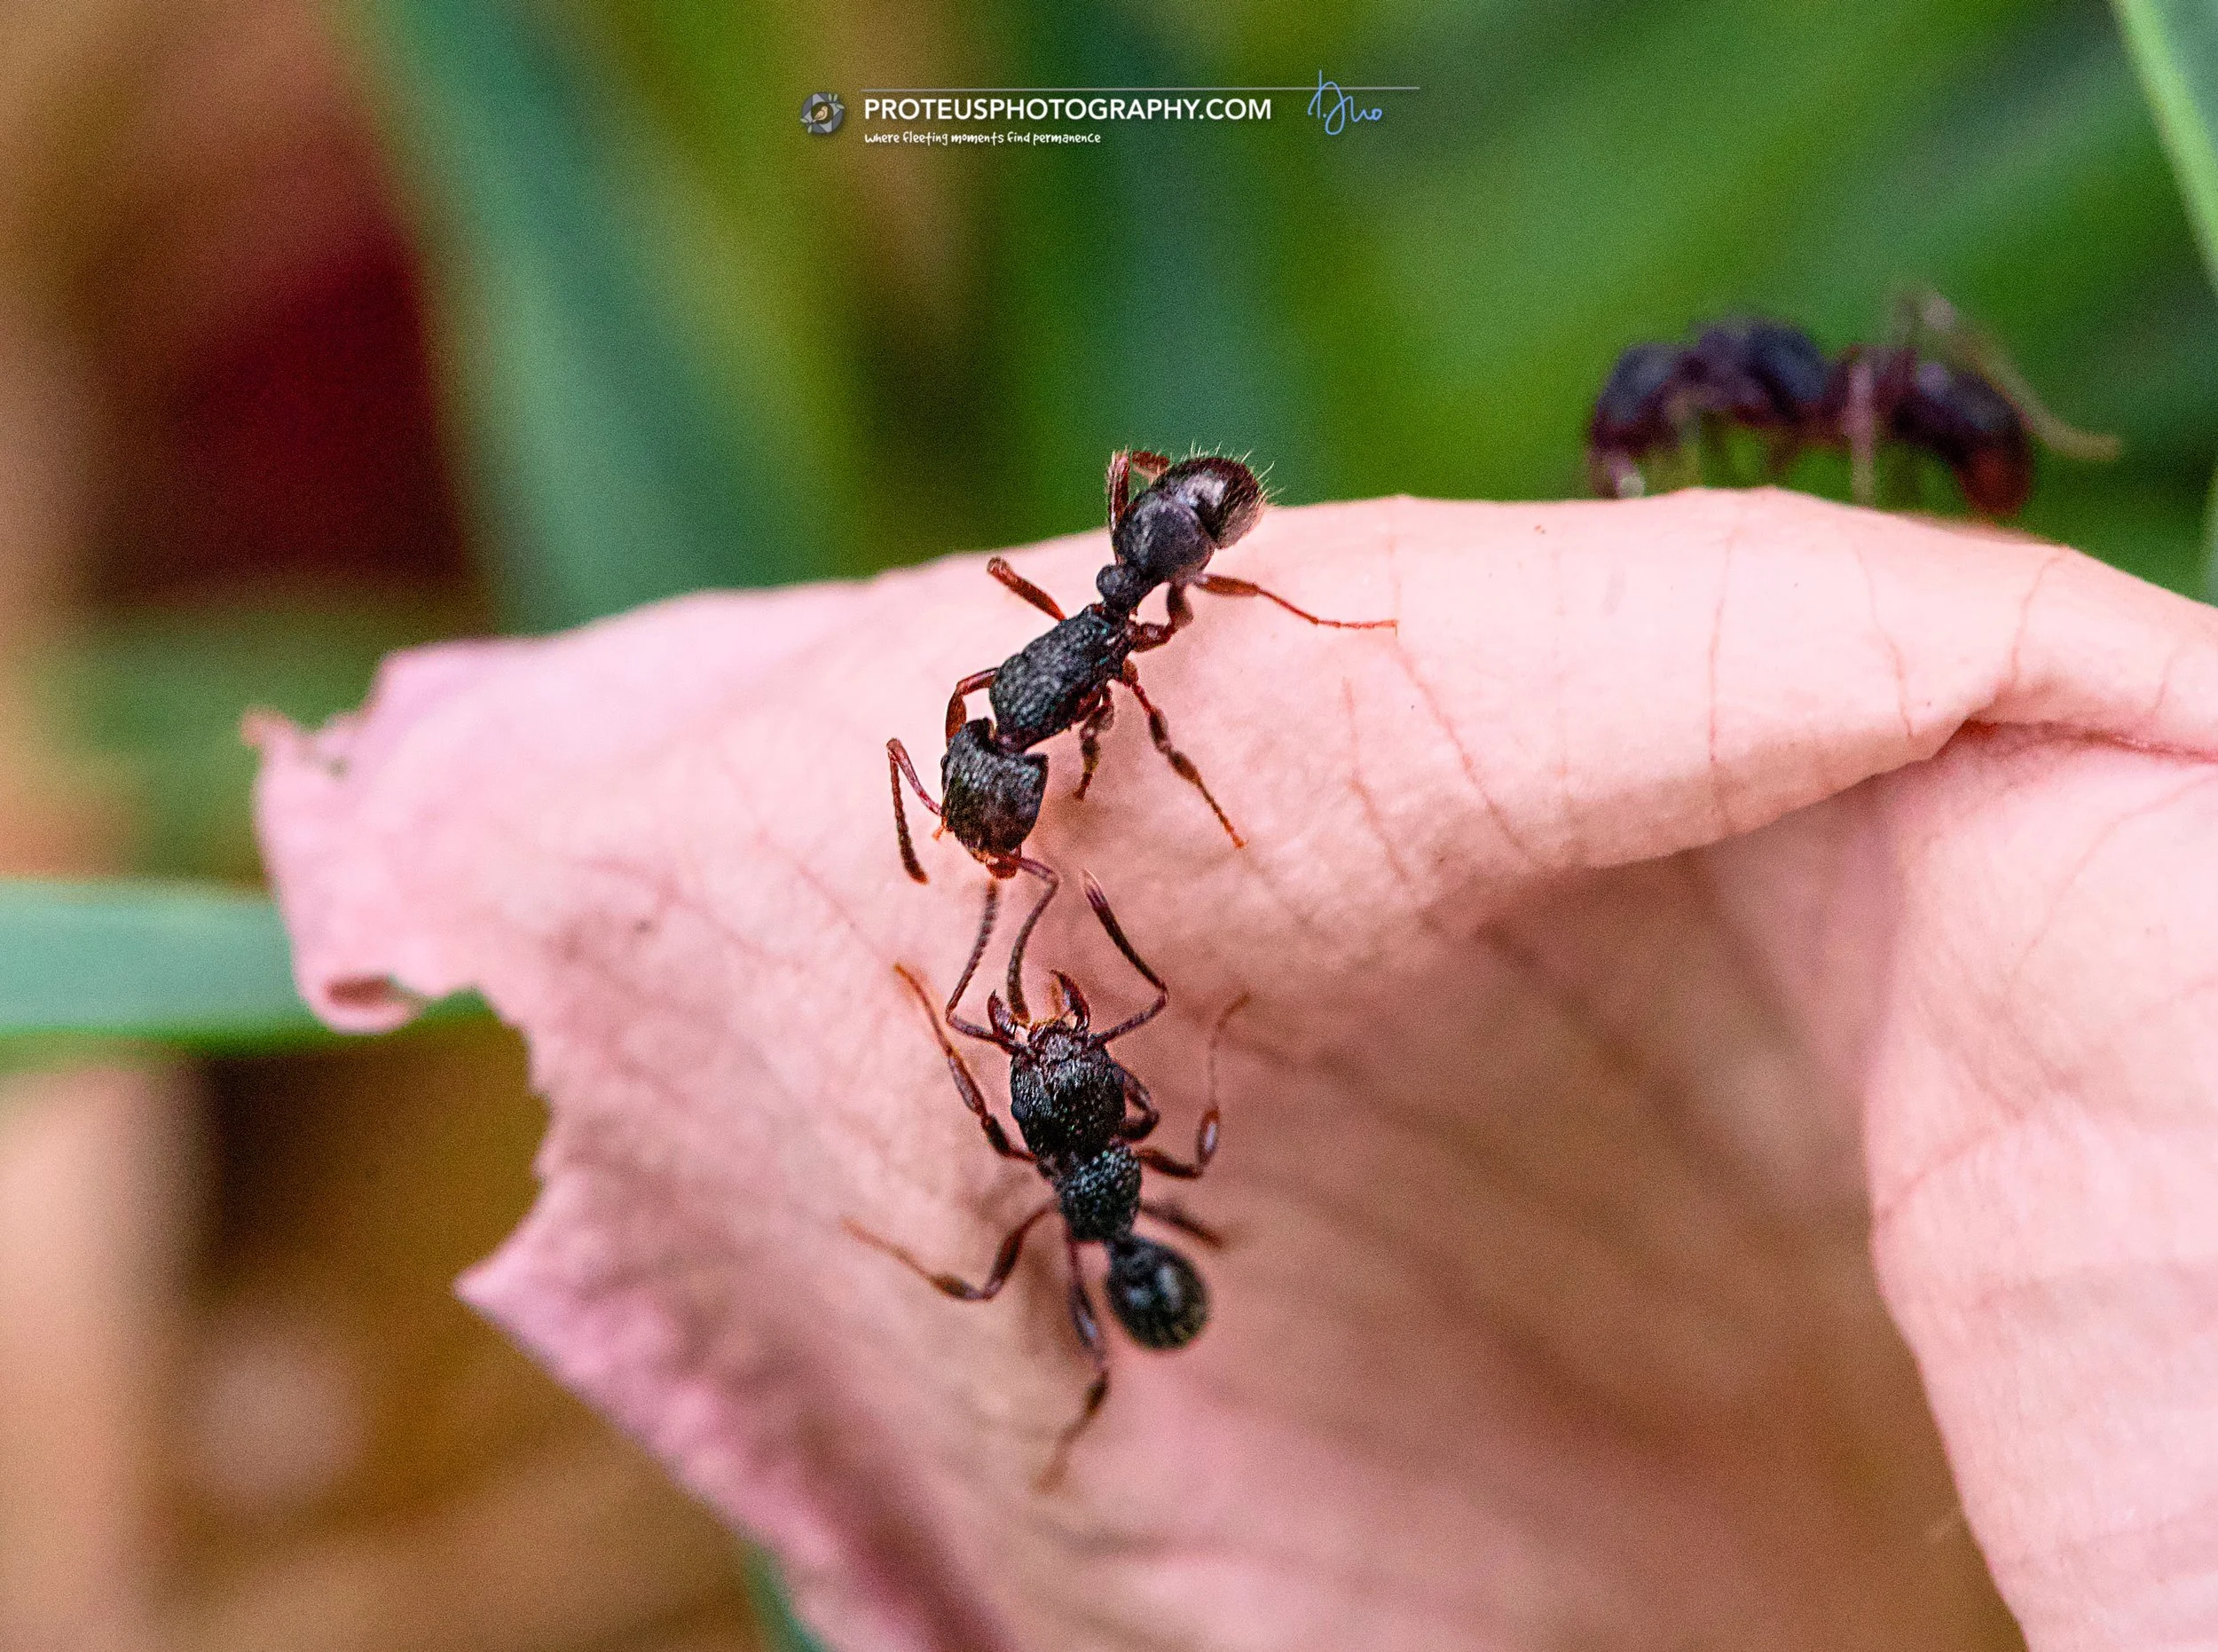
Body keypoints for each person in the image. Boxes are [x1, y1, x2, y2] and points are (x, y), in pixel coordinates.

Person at [256, 486, 2218, 1651]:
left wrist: (1065, 1010)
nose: (1050, 1045)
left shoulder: (1074, 881)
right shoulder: (1055, 975)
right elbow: (1092, 1083)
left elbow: (1098, 1076)